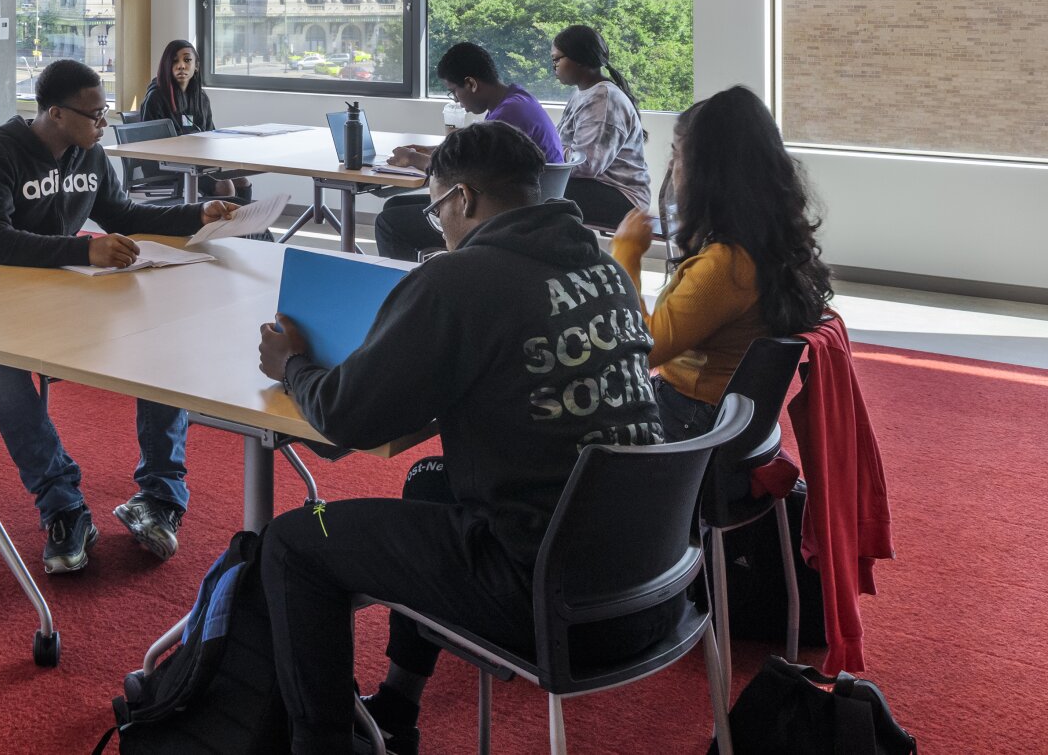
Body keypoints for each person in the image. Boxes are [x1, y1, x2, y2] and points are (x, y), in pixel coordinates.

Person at [255, 122, 665, 755]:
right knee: (430, 483)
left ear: (463, 199)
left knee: (295, 541)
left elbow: (343, 416)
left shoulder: (460, 280)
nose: (435, 222)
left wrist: (291, 367)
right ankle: (395, 707)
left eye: (434, 205)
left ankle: (322, 745)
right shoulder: (604, 269)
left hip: (544, 595)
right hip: (648, 580)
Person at [0, 59, 238, 573]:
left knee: (163, 339)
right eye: (94, 114)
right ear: (54, 113)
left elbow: (124, 215)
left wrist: (194, 214)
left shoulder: (88, 154)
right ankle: (62, 505)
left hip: (77, 296)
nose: (103, 123)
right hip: (2, 303)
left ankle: (159, 497)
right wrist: (80, 250)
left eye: (104, 112)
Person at [611, 85, 835, 439]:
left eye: (677, 154)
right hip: (723, 415)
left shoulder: (726, 266)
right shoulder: (768, 240)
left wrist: (626, 254)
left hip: (689, 419)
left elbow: (644, 348)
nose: (672, 167)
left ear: (708, 171)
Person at [373, 42, 563, 260]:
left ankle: (414, 285)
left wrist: (413, 158)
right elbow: (480, 153)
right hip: (530, 206)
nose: (457, 101)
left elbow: (463, 176)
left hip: (505, 216)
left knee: (389, 223)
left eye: (454, 92)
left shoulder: (507, 115)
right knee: (394, 205)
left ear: (471, 83)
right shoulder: (516, 99)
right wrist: (434, 149)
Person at [550, 23, 651, 229]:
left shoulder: (604, 99)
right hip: (598, 187)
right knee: (534, 187)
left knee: (537, 192)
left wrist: (550, 152)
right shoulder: (584, 93)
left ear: (580, 59)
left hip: (623, 198)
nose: (554, 66)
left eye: (557, 59)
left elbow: (587, 164)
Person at [133, 39, 247, 201]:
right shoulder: (156, 98)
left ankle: (243, 224)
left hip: (195, 161)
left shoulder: (200, 98)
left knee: (241, 180)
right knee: (224, 185)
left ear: (196, 66)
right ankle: (214, 225)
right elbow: (151, 145)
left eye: (187, 60)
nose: (181, 65)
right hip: (164, 166)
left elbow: (210, 134)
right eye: (175, 61)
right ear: (166, 65)